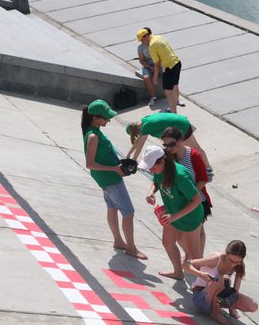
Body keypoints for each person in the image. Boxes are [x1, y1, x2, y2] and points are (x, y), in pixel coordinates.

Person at [81, 99, 146, 260]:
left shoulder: (93, 130)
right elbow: (90, 164)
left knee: (112, 208)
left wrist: (118, 164)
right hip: (110, 180)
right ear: (95, 118)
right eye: (105, 118)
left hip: (107, 179)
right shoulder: (93, 136)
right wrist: (114, 168)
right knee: (128, 212)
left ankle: (118, 240)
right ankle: (131, 247)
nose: (108, 120)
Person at [140, 145, 204, 280]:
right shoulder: (159, 172)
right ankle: (178, 272)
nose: (151, 170)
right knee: (168, 242)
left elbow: (197, 200)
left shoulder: (180, 176)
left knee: (195, 255)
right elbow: (155, 182)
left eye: (152, 167)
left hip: (189, 217)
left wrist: (175, 216)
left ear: (162, 161)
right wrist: (151, 192)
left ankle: (203, 284)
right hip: (171, 213)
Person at [161, 127, 211, 253]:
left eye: (172, 144)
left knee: (197, 232)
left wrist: (190, 193)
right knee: (182, 235)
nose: (169, 148)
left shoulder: (193, 155)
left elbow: (204, 179)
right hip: (181, 201)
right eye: (165, 145)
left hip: (197, 200)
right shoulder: (169, 157)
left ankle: (197, 258)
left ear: (181, 140)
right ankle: (194, 257)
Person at [184, 240, 258, 325]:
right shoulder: (216, 259)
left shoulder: (239, 264)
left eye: (236, 262)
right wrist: (200, 274)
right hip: (201, 298)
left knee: (253, 306)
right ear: (226, 253)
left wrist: (232, 308)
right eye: (230, 260)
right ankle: (215, 312)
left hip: (219, 299)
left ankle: (217, 308)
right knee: (224, 280)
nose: (233, 265)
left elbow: (235, 290)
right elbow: (186, 264)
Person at [125, 113, 213, 179]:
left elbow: (140, 146)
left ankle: (208, 169)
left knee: (195, 148)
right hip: (177, 127)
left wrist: (133, 160)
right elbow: (138, 142)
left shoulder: (146, 126)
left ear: (135, 132)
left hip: (182, 126)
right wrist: (128, 155)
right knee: (174, 153)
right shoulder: (144, 121)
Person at [136, 28, 185, 114]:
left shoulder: (152, 45)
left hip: (168, 67)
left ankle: (174, 114)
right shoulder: (160, 37)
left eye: (142, 39)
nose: (142, 42)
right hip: (177, 62)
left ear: (146, 36)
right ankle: (174, 105)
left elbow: (157, 63)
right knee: (175, 86)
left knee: (167, 92)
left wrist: (155, 77)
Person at [136, 27, 161, 107]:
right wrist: (149, 67)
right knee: (146, 77)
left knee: (170, 72)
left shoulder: (155, 43)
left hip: (159, 63)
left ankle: (176, 97)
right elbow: (141, 60)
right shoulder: (140, 47)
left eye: (142, 39)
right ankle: (153, 97)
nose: (142, 41)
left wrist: (157, 67)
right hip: (148, 65)